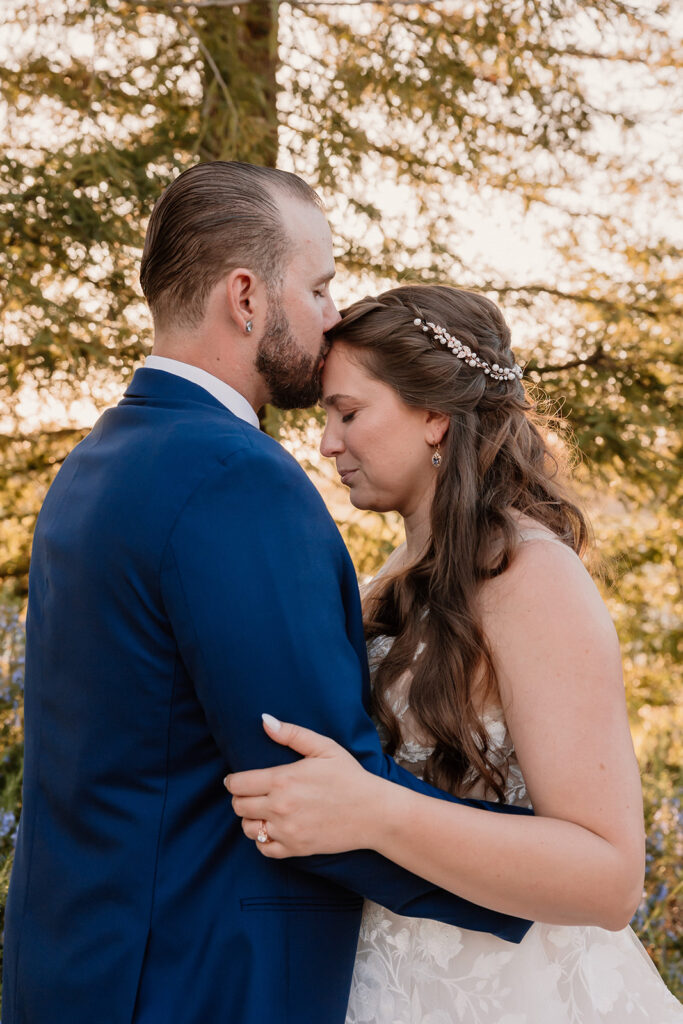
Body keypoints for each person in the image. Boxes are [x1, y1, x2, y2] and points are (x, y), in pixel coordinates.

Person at [2, 166, 534, 1024]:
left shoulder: (100, 461)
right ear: (245, 297)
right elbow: (311, 782)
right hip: (200, 980)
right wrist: (540, 890)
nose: (332, 318)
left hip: (81, 968)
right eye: (318, 286)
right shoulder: (233, 478)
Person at [226, 285, 683, 1022]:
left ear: (433, 415)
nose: (326, 443)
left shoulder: (529, 576)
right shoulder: (387, 585)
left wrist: (375, 812)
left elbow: (609, 878)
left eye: (347, 413)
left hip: (508, 994)